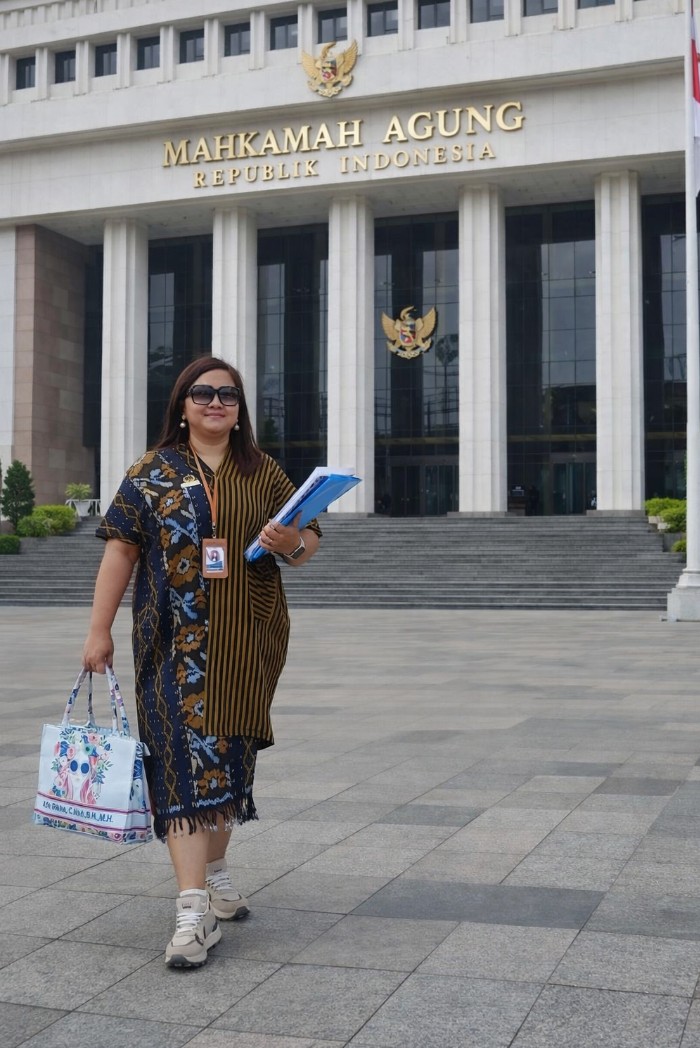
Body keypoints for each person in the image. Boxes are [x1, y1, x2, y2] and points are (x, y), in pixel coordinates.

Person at [82, 356, 320, 968]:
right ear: (182, 405)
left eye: (228, 395)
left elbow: (308, 543)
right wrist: (98, 630)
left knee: (229, 763)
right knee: (182, 766)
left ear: (240, 411)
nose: (216, 402)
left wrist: (290, 542)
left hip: (247, 643)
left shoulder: (263, 471)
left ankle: (214, 873)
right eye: (203, 392)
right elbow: (120, 552)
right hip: (171, 645)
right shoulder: (150, 472)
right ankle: (192, 911)